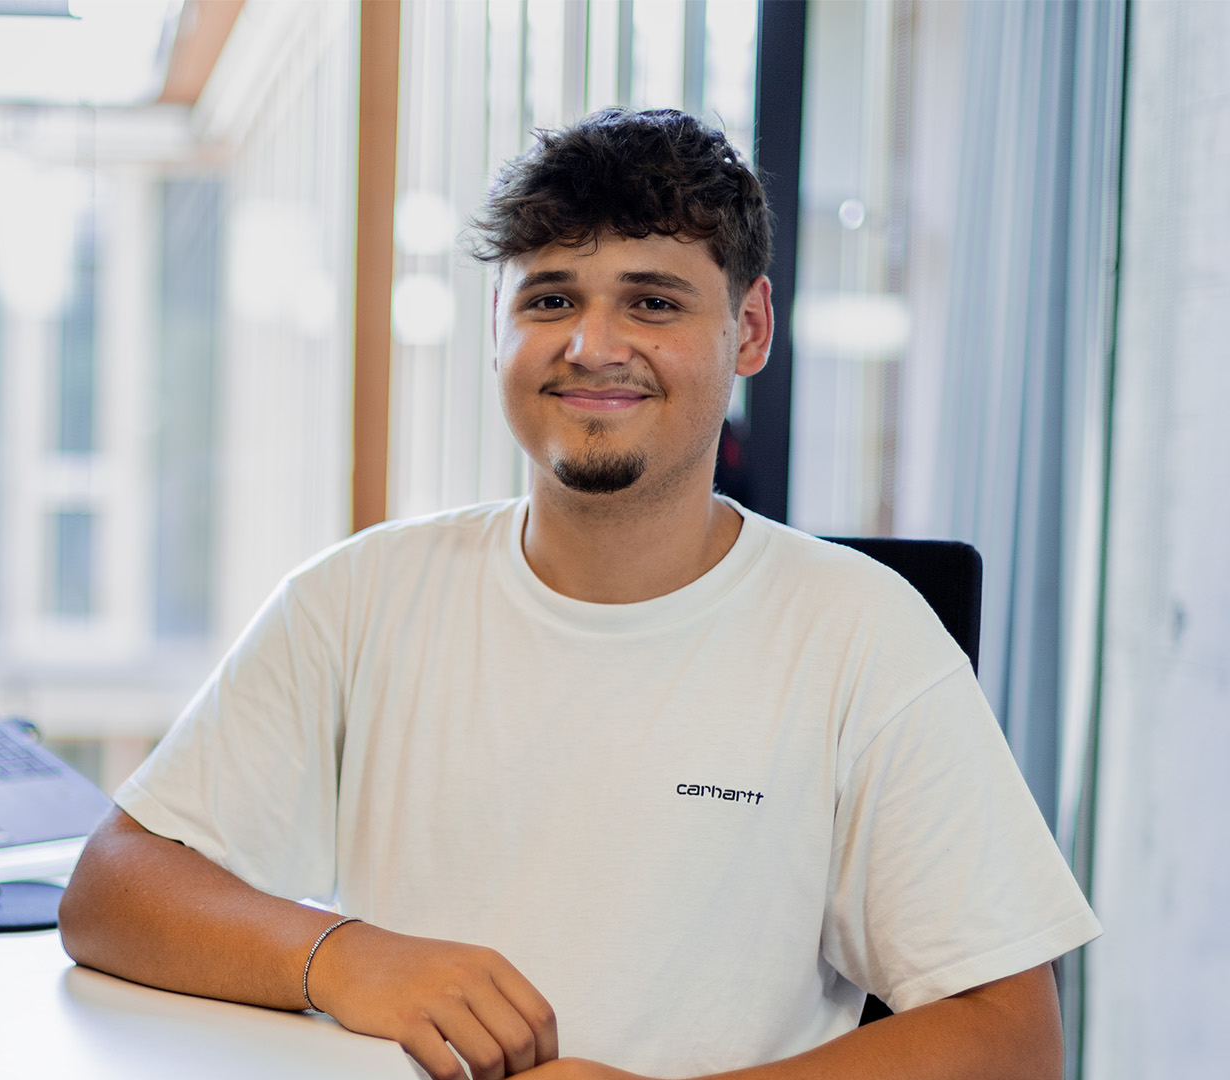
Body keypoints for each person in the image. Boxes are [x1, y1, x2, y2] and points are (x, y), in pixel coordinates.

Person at [57, 109, 1099, 1080]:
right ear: (501, 329)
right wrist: (344, 955)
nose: (593, 346)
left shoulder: (860, 632)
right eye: (551, 298)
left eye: (653, 302)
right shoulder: (362, 595)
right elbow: (113, 888)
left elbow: (1012, 1035)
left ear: (748, 329)